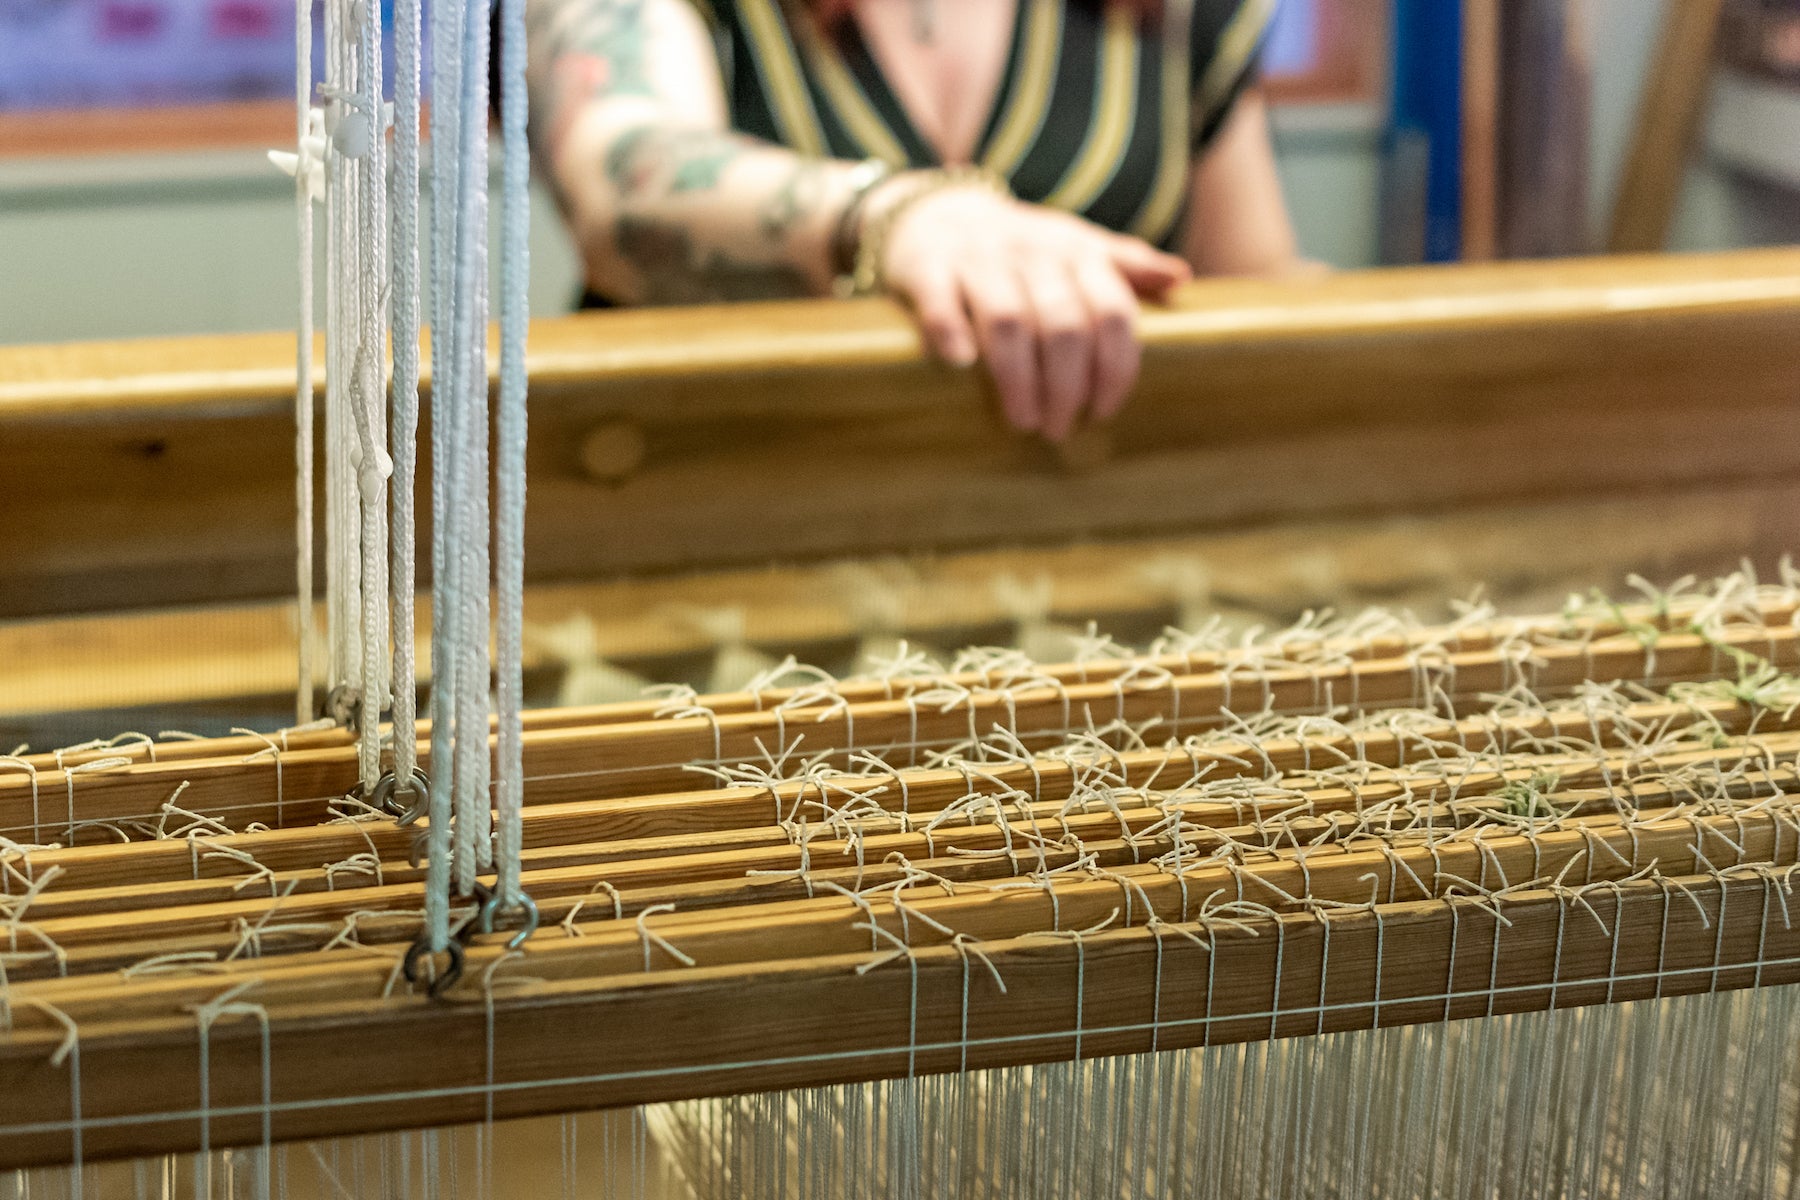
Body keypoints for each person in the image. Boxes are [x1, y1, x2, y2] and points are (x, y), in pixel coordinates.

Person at [525, 0, 1307, 442]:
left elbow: (1255, 290)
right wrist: (898, 219)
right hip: (707, 559)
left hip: (1085, 572)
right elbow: (621, 179)